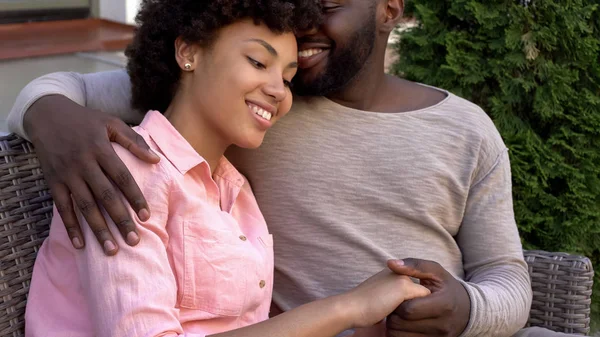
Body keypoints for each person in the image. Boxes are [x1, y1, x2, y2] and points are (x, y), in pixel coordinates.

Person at [10, 0, 574, 336]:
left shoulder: (468, 129)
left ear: (389, 9)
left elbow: (508, 275)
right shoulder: (239, 107)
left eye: (325, 5)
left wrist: (468, 307)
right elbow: (66, 91)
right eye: (264, 60)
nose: (304, 31)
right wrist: (49, 118)